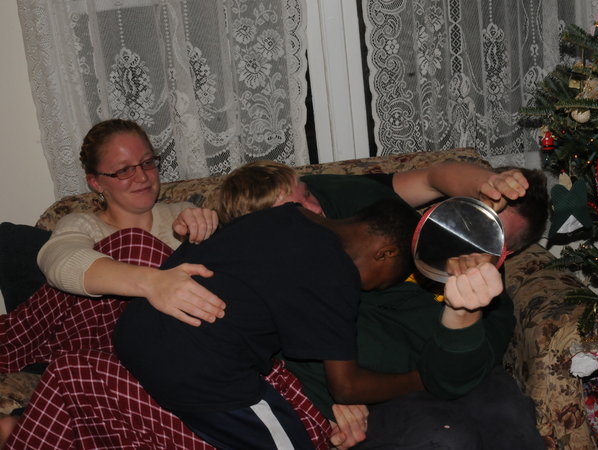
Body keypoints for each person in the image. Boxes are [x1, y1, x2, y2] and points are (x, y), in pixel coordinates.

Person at [112, 179, 442, 448]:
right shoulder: (335, 272)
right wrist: (426, 379)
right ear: (386, 253)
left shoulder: (286, 214)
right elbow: (346, 387)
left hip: (136, 328)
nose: (380, 288)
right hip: (196, 367)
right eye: (394, 277)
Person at [280, 163, 549, 448]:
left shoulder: (495, 308)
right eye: (470, 216)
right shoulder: (384, 221)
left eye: (491, 234)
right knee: (444, 437)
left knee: (508, 418)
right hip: (379, 393)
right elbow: (432, 177)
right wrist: (321, 398)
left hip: (451, 378)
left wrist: (464, 314)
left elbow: (458, 378)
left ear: (507, 252)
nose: (467, 239)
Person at [36, 118, 225, 326]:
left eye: (147, 163)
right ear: (96, 183)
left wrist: (206, 232)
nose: (142, 177)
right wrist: (153, 282)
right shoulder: (81, 224)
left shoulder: (184, 213)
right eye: (124, 170)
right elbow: (59, 261)